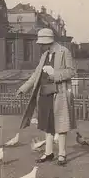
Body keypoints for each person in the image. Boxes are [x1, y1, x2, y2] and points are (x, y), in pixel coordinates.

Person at [16, 28, 76, 166]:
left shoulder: (64, 52)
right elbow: (36, 75)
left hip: (58, 93)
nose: (41, 46)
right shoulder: (44, 55)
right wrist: (24, 88)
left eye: (42, 43)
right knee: (47, 124)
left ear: (49, 41)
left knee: (61, 124)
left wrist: (54, 74)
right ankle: (48, 153)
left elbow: (71, 72)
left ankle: (62, 154)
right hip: (44, 93)